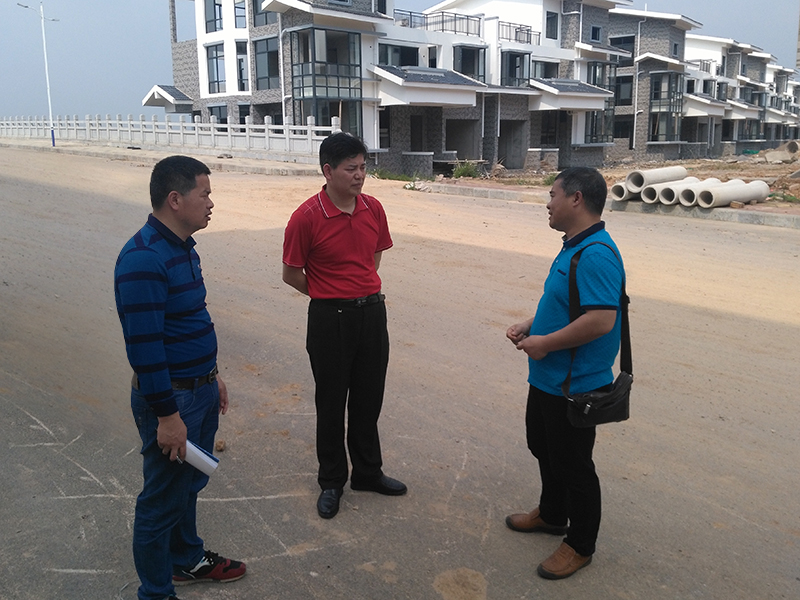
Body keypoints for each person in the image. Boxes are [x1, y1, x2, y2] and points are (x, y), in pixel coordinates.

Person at [114, 155, 246, 600]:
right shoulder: (143, 259)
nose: (211, 203)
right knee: (161, 499)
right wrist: (167, 417)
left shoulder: (182, 248)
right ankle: (156, 591)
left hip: (199, 390)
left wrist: (212, 375)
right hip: (173, 401)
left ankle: (186, 558)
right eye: (204, 194)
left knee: (187, 485)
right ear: (175, 199)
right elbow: (145, 349)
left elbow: (191, 320)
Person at [504, 167, 625, 580]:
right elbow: (565, 303)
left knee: (574, 466)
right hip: (549, 377)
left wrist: (545, 343)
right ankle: (553, 514)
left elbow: (601, 320)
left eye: (553, 195)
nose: (548, 203)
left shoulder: (596, 254)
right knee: (542, 446)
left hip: (575, 384)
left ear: (576, 198)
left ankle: (580, 545)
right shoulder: (573, 246)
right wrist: (531, 324)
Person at [282, 132, 407, 520]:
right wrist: (328, 294)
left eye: (363, 167)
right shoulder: (306, 217)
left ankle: (368, 473)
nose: (359, 175)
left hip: (372, 314)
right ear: (328, 171)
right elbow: (291, 273)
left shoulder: (373, 208)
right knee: (331, 403)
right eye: (351, 168)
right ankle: (332, 480)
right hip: (330, 319)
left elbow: (373, 259)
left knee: (369, 399)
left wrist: (356, 292)